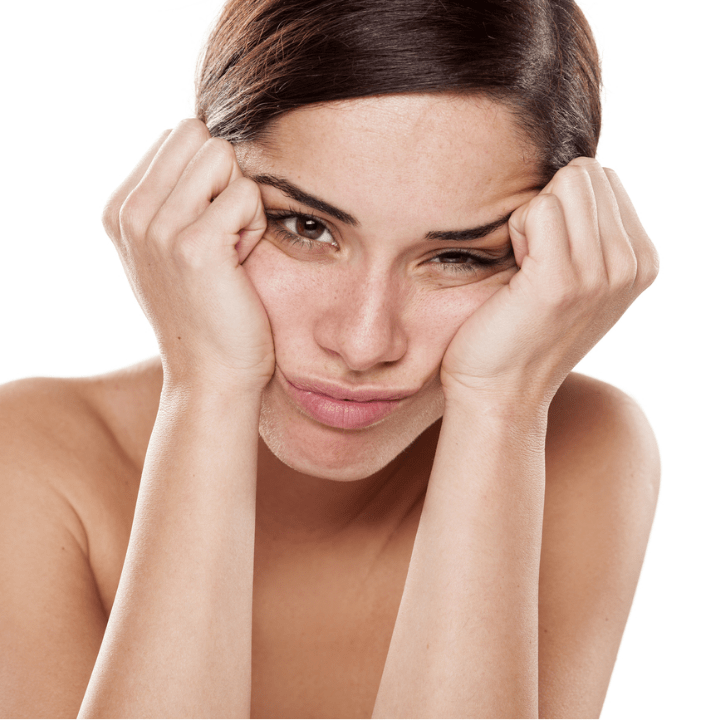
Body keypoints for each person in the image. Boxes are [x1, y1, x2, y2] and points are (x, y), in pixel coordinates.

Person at [0, 0, 660, 717]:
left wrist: (502, 409)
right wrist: (208, 388)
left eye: (460, 256)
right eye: (305, 226)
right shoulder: (31, 461)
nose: (363, 342)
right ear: (197, 194)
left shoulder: (580, 447)